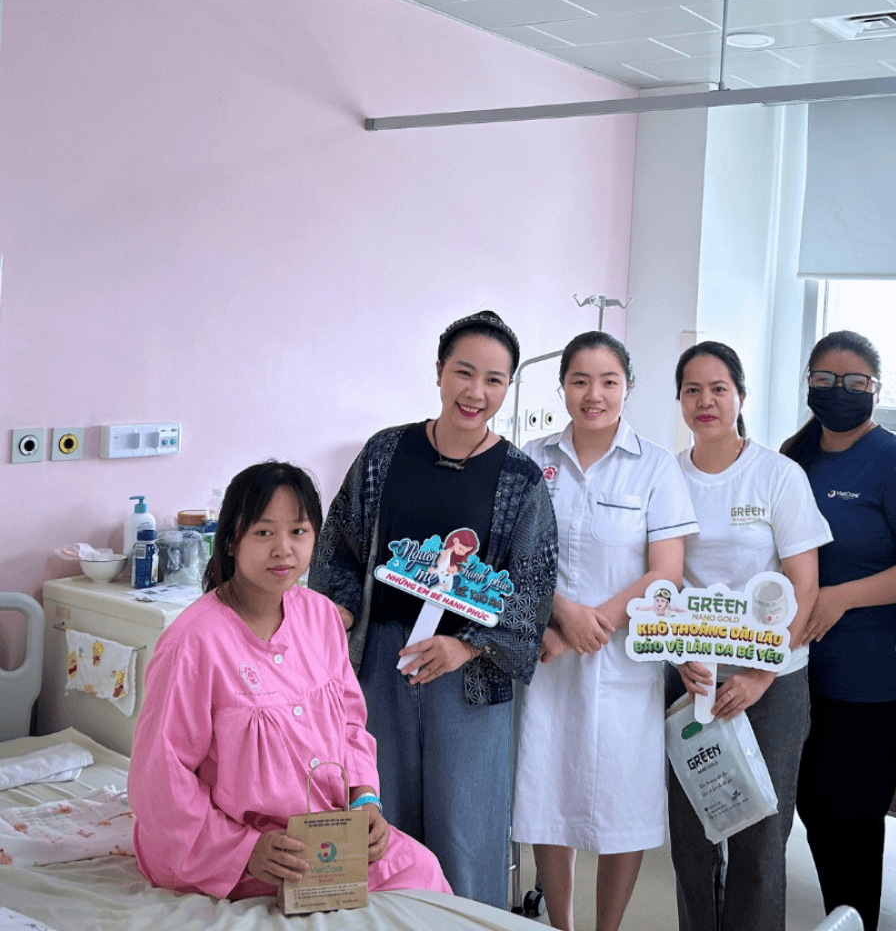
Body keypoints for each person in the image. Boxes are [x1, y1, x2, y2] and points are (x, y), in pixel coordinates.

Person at [307, 311, 558, 907]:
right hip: (378, 663)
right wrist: (340, 613)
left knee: (465, 832)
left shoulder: (521, 479)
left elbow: (532, 586)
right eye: (464, 373)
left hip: (467, 678)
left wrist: (465, 645)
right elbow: (337, 544)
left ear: (509, 386)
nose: (476, 392)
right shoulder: (384, 453)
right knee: (376, 818)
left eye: (494, 380)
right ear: (440, 371)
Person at [128, 461, 450, 900]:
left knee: (422, 871)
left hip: (322, 834)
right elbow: (159, 775)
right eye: (263, 532)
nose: (283, 549)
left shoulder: (321, 617)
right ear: (231, 540)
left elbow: (349, 724)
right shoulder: (193, 642)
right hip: (221, 848)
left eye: (298, 531)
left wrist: (364, 799)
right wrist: (244, 850)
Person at [512, 330, 696, 931]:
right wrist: (560, 614)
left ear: (629, 388)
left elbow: (666, 571)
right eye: (580, 381)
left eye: (608, 381)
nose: (594, 395)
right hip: (548, 656)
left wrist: (589, 626)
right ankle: (560, 925)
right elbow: (512, 557)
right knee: (547, 797)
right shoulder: (529, 460)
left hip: (623, 659)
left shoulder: (656, 467)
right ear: (562, 386)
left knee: (624, 807)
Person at [782, 329, 896, 931]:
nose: (839, 391)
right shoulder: (795, 456)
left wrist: (840, 597)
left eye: (855, 382)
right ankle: (843, 917)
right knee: (813, 806)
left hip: (871, 678)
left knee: (850, 817)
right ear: (808, 383)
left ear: (876, 388)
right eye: (824, 379)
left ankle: (857, 922)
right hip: (800, 669)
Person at [668, 341, 830, 931]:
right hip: (693, 676)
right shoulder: (667, 476)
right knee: (693, 835)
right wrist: (680, 659)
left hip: (772, 681)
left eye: (719, 389)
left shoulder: (777, 475)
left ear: (741, 395)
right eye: (692, 390)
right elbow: (663, 581)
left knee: (760, 839)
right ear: (679, 400)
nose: (705, 401)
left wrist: (762, 673)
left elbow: (804, 585)